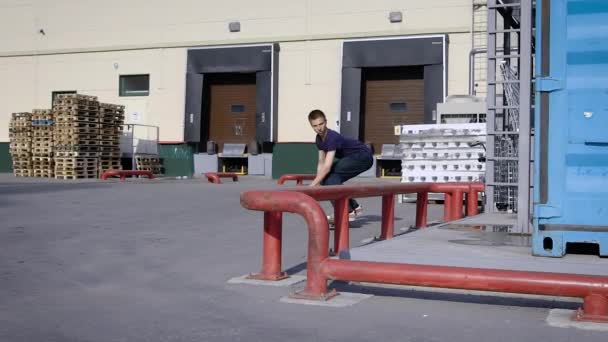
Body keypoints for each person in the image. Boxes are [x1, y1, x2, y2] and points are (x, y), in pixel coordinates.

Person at [308, 109, 373, 221]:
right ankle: (354, 207)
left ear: (326, 122)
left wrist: (313, 185)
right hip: (352, 158)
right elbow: (321, 162)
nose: (319, 128)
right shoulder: (318, 139)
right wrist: (318, 182)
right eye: (315, 126)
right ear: (311, 126)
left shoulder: (332, 137)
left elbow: (327, 167)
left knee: (330, 177)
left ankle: (347, 211)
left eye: (321, 124)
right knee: (328, 180)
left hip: (362, 156)